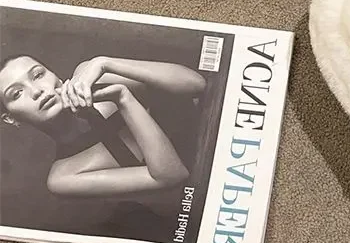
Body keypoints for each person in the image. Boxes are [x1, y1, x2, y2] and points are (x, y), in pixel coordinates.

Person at [0, 55, 206, 198]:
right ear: (10, 118)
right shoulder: (63, 177)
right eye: (16, 93)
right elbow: (173, 176)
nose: (36, 90)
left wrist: (104, 63)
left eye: (38, 75)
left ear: (55, 76)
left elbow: (197, 84)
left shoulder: (92, 74)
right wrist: (124, 99)